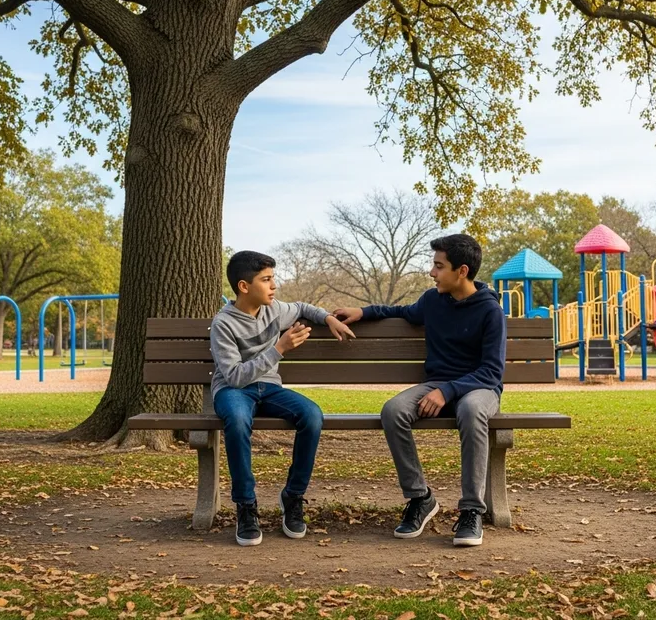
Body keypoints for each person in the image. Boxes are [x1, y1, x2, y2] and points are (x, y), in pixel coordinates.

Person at [334, 233, 505, 547]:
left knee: (469, 409)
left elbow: (492, 372)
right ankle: (420, 498)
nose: (432, 272)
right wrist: (364, 311)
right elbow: (402, 312)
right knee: (393, 410)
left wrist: (449, 391)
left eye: (439, 266)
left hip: (479, 388)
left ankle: (471, 511)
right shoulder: (432, 301)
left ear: (462, 271)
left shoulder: (489, 311)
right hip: (438, 384)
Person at [210, 250, 355, 547]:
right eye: (266, 280)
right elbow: (236, 376)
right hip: (234, 390)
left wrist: (328, 318)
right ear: (244, 286)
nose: (274, 286)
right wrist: (279, 349)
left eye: (273, 278)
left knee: (312, 415)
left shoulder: (273, 309)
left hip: (269, 388)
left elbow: (302, 306)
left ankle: (293, 496)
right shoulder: (224, 324)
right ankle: (246, 506)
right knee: (237, 421)